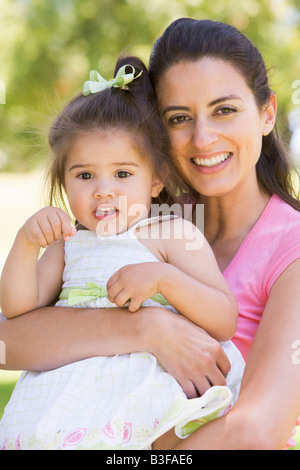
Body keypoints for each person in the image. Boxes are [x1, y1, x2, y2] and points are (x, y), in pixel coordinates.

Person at [1, 17, 299, 450]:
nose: (203, 137)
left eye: (225, 109)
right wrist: (147, 328)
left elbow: (255, 431)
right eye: (179, 118)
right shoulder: (129, 223)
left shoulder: (289, 247)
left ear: (267, 113)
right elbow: (9, 340)